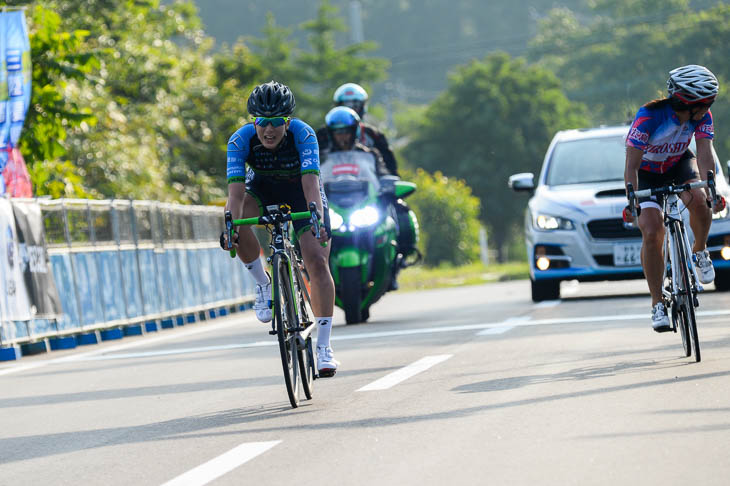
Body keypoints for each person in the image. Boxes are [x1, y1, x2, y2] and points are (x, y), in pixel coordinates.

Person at [222, 80, 338, 376]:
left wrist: (319, 221)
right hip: (261, 190)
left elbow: (311, 185)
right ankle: (263, 284)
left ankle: (324, 347)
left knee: (317, 262)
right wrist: (229, 228)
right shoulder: (239, 141)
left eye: (276, 122)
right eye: (262, 122)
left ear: (288, 121)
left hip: (301, 191)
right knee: (237, 218)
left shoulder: (304, 134)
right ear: (254, 121)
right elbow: (235, 195)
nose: (269, 130)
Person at [624, 64, 724, 332]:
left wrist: (711, 188)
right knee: (653, 231)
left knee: (702, 205)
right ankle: (657, 302)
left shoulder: (702, 117)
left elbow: (704, 153)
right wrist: (632, 199)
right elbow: (631, 165)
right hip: (646, 173)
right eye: (706, 103)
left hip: (678, 165)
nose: (708, 108)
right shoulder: (649, 117)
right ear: (688, 102)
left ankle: (700, 251)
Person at [322, 106, 405, 290]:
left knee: (396, 220)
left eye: (346, 132)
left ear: (355, 132)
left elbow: (383, 174)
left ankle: (396, 265)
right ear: (331, 134)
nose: (342, 137)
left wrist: (389, 186)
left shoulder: (370, 154)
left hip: (363, 204)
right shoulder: (321, 157)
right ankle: (303, 269)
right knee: (300, 231)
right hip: (333, 206)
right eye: (338, 133)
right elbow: (311, 178)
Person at [316, 82, 399, 176]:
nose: (342, 136)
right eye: (338, 132)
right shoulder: (322, 136)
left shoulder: (373, 140)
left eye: (355, 106)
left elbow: (388, 170)